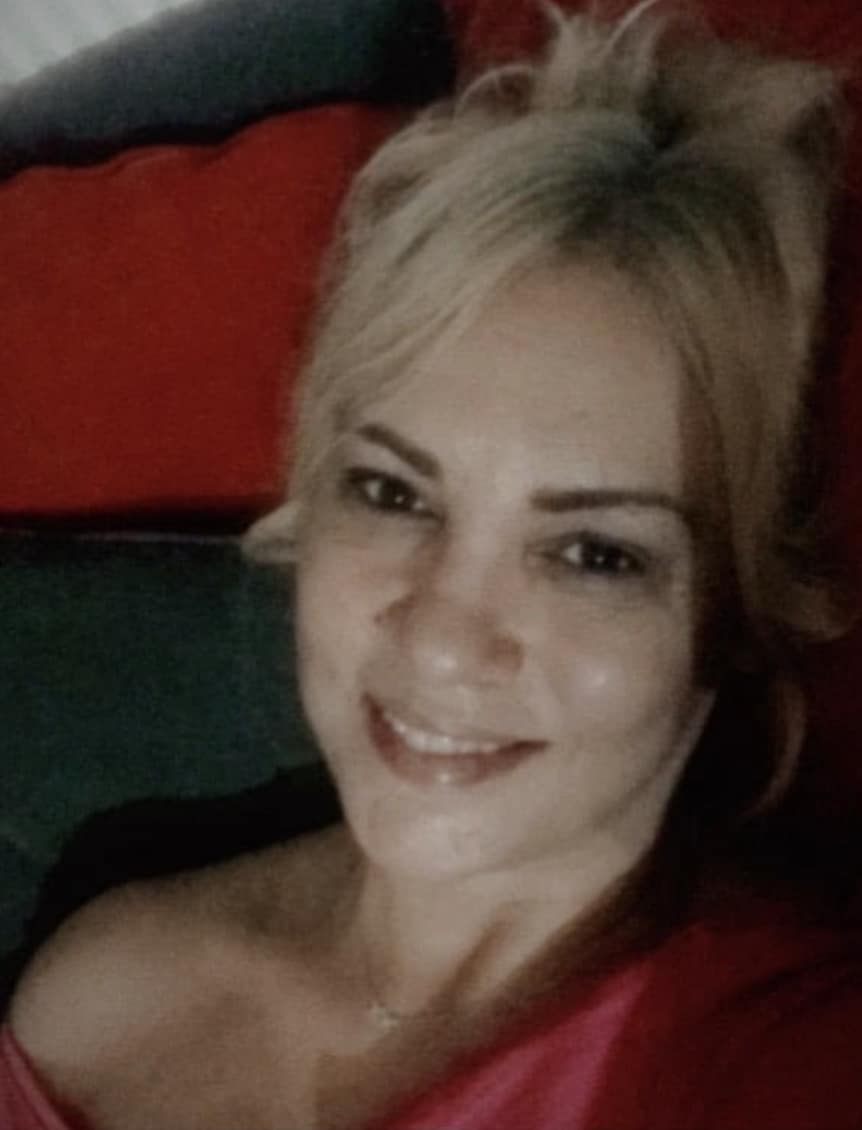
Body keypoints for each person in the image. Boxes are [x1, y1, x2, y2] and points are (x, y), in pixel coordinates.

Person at [3, 3, 862, 1128]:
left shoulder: (788, 1055)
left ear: (735, 619)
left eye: (593, 554)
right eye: (393, 493)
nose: (442, 637)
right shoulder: (99, 991)